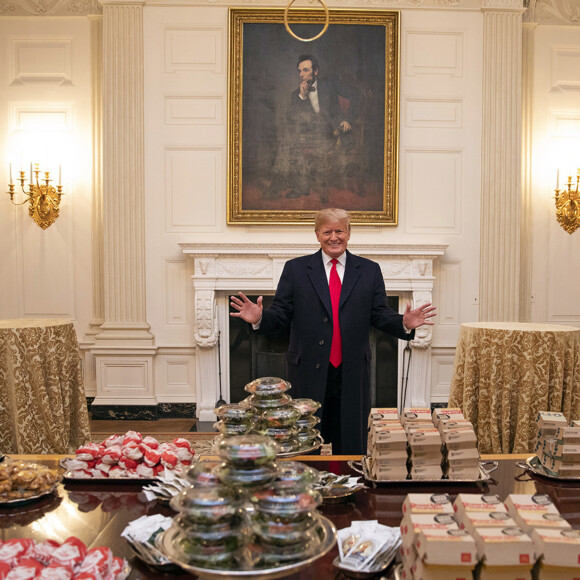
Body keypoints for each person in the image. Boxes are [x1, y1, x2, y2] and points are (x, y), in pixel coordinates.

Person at [230, 208, 437, 455]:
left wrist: (403, 322)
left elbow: (379, 315)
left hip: (352, 370)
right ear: (317, 234)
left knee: (351, 440)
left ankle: (349, 484)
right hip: (307, 369)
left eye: (339, 231)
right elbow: (282, 314)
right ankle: (308, 487)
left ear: (349, 233)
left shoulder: (369, 270)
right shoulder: (295, 269)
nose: (334, 237)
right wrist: (260, 318)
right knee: (305, 439)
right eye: (327, 231)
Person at [269, 55, 361, 201]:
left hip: (332, 134)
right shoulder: (296, 94)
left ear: (316, 71)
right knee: (289, 139)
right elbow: (292, 119)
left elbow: (357, 96)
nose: (301, 75)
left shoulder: (330, 84)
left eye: (305, 70)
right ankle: (292, 184)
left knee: (290, 140)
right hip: (308, 135)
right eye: (299, 71)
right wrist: (302, 97)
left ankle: (288, 184)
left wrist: (347, 119)